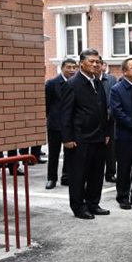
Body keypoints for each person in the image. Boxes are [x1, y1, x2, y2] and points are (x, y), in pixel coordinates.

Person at [61, 49, 111, 220]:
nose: (96, 64)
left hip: (98, 136)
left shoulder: (98, 82)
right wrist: (67, 138)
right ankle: (78, 207)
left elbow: (103, 110)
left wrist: (106, 132)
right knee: (78, 175)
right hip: (79, 138)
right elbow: (66, 113)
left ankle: (93, 203)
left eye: (98, 61)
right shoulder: (72, 84)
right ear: (82, 63)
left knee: (96, 173)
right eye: (92, 61)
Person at [109, 58, 132, 210]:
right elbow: (118, 113)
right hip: (125, 136)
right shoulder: (117, 89)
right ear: (124, 72)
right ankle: (123, 197)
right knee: (124, 168)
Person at [45, 58, 77, 189]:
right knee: (54, 153)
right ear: (62, 68)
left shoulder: (76, 83)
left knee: (69, 152)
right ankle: (51, 178)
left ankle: (66, 176)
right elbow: (47, 104)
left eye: (74, 67)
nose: (71, 70)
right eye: (68, 67)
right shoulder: (52, 83)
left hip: (70, 125)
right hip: (55, 125)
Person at [98, 60, 118, 184]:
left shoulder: (111, 79)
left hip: (109, 120)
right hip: (93, 121)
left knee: (111, 150)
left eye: (100, 63)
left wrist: (109, 113)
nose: (98, 66)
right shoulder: (88, 80)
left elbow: (114, 98)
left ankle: (110, 173)